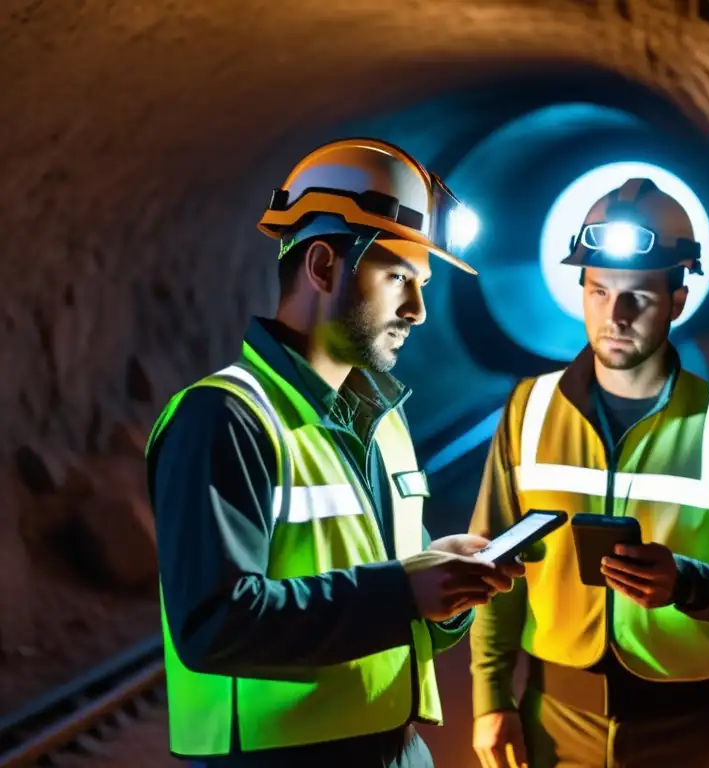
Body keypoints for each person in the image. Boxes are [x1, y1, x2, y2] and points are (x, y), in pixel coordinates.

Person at [146, 137, 524, 768]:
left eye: (422, 283)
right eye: (400, 277)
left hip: (401, 751)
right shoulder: (225, 417)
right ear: (323, 267)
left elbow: (392, 607)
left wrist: (445, 588)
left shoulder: (384, 422)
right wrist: (402, 592)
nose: (419, 310)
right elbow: (214, 625)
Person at [468, 178, 709, 767]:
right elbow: (493, 564)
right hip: (556, 726)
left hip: (689, 734)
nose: (615, 315)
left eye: (640, 298)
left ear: (678, 299)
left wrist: (689, 584)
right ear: (580, 290)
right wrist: (491, 699)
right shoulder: (529, 410)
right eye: (599, 292)